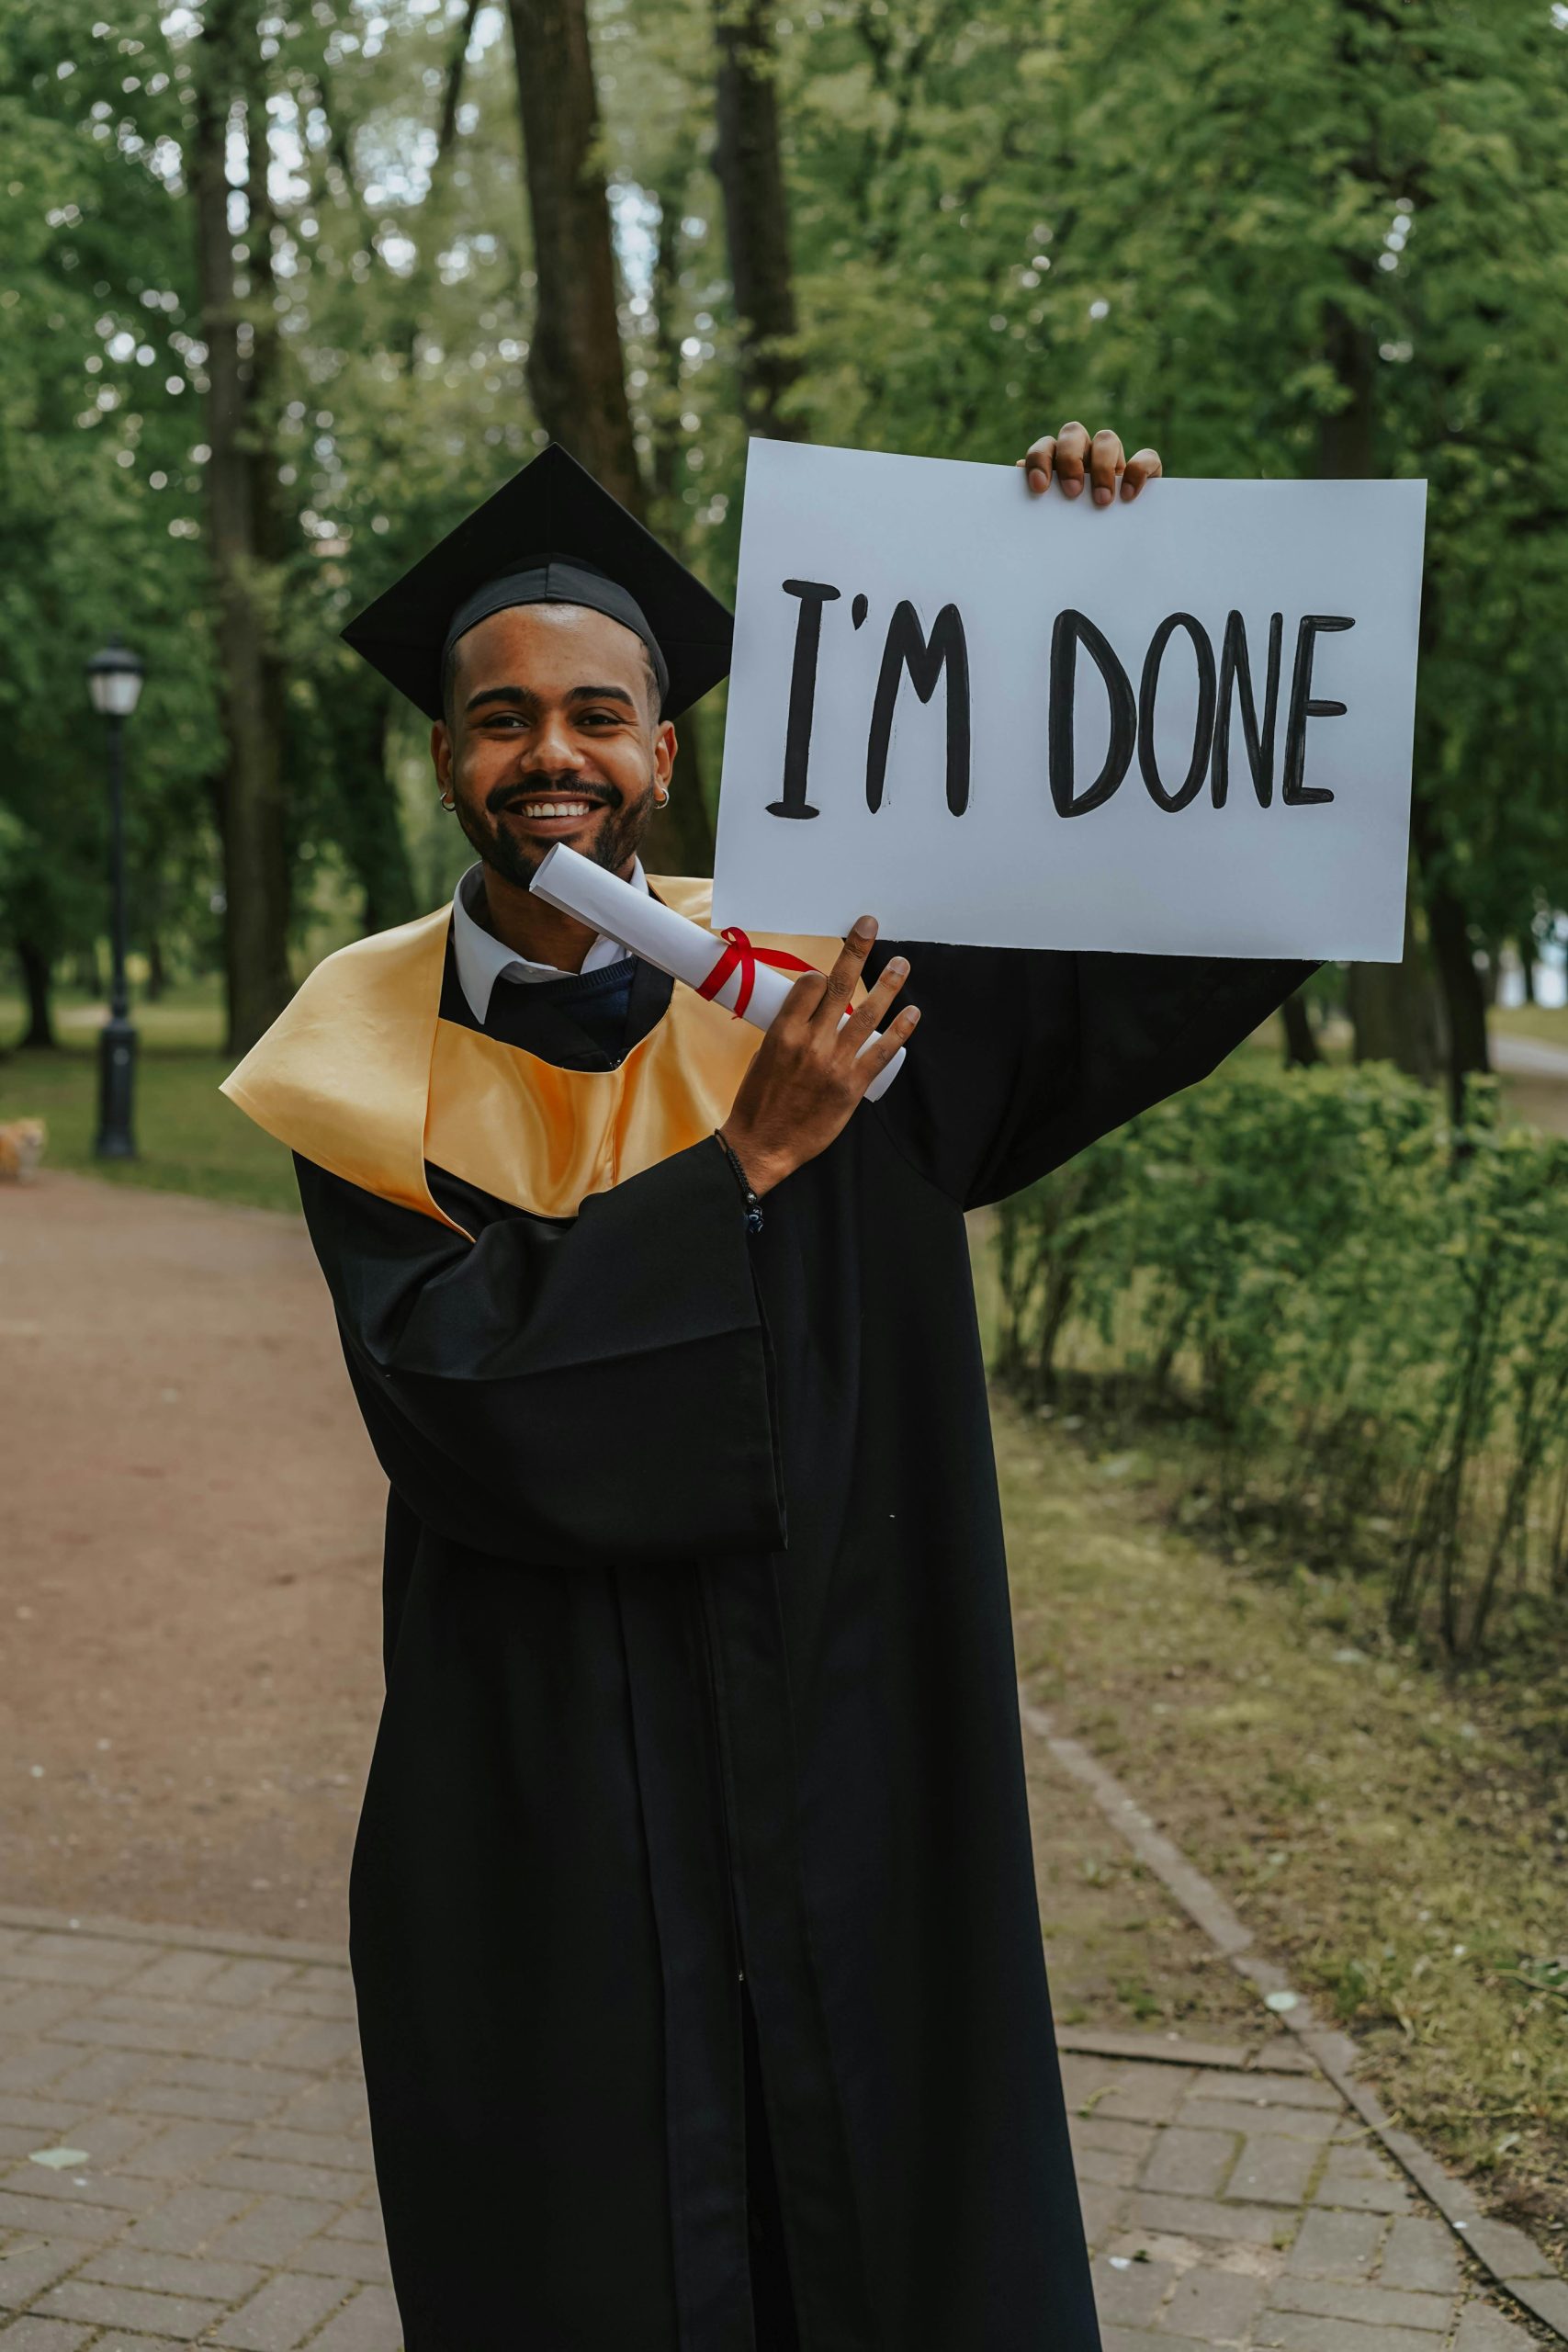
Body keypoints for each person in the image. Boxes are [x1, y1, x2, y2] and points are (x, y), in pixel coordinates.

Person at [222, 423, 1314, 2352]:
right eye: (497, 716)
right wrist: (738, 1165)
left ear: (661, 747)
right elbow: (464, 1395)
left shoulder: (829, 984)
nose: (546, 751)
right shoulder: (361, 1051)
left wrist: (1105, 577)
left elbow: (1175, 913)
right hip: (538, 1787)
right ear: (446, 754)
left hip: (844, 1748)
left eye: (594, 711)